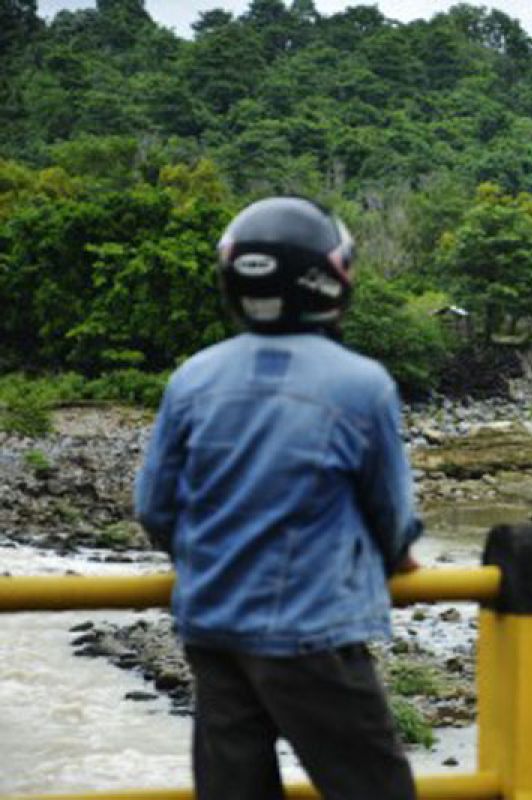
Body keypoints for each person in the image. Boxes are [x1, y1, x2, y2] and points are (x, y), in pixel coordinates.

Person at [135, 196, 423, 800]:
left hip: (213, 630)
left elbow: (156, 508)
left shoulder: (193, 377)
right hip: (312, 631)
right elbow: (391, 516)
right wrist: (396, 557)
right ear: (328, 280)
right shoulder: (361, 384)